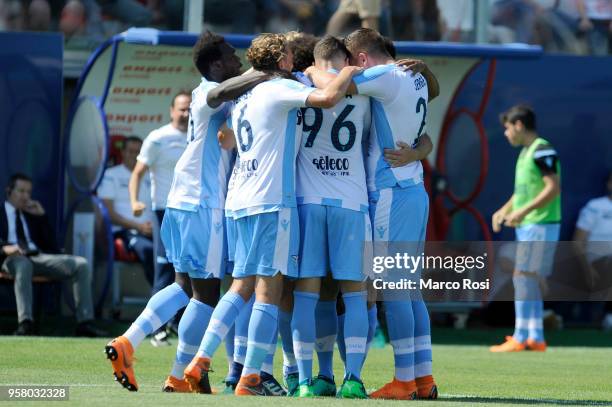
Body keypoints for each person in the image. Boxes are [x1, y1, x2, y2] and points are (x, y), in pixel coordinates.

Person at [183, 32, 362, 397]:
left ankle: (201, 358)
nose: (294, 61)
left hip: (239, 198)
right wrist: (350, 72)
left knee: (239, 287)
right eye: (290, 56)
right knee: (270, 290)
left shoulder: (245, 93)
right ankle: (251, 376)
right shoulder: (279, 88)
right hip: (270, 201)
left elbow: (229, 139)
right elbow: (328, 97)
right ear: (281, 61)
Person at [104, 31, 264, 393]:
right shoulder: (208, 90)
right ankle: (180, 374)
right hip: (202, 205)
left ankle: (128, 342)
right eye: (233, 56)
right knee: (205, 295)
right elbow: (221, 94)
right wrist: (264, 72)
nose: (239, 61)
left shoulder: (208, 94)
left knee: (181, 287)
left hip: (180, 201)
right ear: (216, 64)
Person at [305, 27, 439, 400]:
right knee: (410, 292)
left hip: (390, 192)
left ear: (361, 59)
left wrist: (313, 69)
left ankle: (404, 381)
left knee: (394, 291)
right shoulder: (414, 76)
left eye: (352, 62)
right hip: (413, 187)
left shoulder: (382, 75)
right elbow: (434, 93)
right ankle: (423, 380)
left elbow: (335, 88)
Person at [491, 105, 561, 353]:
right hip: (531, 224)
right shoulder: (525, 152)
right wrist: (505, 209)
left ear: (519, 125)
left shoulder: (542, 148)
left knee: (522, 277)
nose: (506, 133)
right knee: (528, 279)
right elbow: (521, 193)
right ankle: (534, 337)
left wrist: (521, 213)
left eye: (508, 128)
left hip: (540, 224)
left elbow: (552, 188)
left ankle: (522, 336)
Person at [1, 173, 104, 337]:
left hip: (37, 256)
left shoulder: (31, 213)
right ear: (9, 191)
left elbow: (53, 247)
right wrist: (5, 248)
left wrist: (41, 216)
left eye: (28, 192)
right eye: (21, 191)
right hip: (10, 258)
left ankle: (85, 323)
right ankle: (25, 323)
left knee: (81, 264)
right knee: (23, 264)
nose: (25, 196)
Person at [129, 91, 189, 346]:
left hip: (191, 212)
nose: (185, 114)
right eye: (181, 109)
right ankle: (157, 329)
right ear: (171, 110)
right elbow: (138, 172)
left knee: (188, 270)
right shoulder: (158, 138)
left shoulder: (199, 136)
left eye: (189, 109)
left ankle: (179, 324)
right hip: (164, 211)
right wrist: (134, 202)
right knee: (164, 270)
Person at [98, 136, 155, 287]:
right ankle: (159, 295)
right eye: (130, 151)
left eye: (138, 152)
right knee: (149, 251)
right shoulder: (111, 175)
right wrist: (138, 227)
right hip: (125, 231)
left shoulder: (151, 176)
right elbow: (109, 214)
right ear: (123, 152)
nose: (134, 156)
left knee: (173, 255)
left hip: (152, 231)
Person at [573, 171, 612, 326]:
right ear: (609, 184)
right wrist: (587, 268)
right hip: (599, 261)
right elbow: (577, 242)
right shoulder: (595, 207)